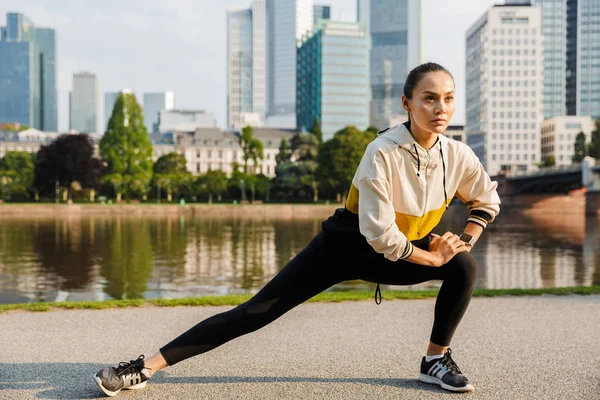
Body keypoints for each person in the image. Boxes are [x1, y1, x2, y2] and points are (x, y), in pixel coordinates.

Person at [94, 62, 500, 396]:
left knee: (463, 265)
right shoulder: (381, 152)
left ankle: (434, 360)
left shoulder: (457, 154)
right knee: (254, 313)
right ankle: (144, 368)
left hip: (402, 250)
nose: (440, 108)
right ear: (407, 103)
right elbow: (379, 234)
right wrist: (433, 255)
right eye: (429, 98)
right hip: (345, 245)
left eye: (447, 99)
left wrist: (459, 243)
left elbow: (486, 200)